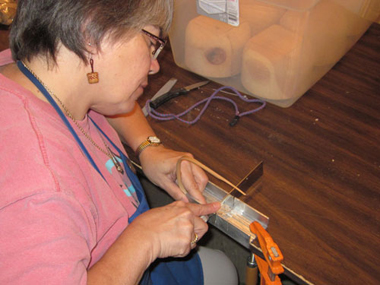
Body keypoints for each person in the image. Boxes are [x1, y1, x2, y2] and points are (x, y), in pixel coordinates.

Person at [0, 0, 239, 284]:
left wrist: (148, 146)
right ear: (91, 34)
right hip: (117, 262)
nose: (154, 66)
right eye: (151, 43)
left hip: (123, 243)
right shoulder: (42, 191)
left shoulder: (30, 69)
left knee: (224, 268)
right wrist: (145, 240)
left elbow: (106, 95)